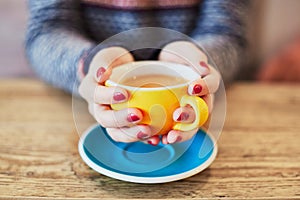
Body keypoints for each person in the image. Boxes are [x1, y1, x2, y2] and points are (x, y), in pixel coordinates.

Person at [25, 0, 250, 145]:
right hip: (69, 118)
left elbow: (227, 33)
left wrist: (201, 60)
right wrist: (87, 63)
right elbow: (47, 29)